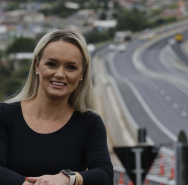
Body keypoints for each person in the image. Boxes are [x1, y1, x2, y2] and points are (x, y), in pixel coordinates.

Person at [0, 29, 113, 185]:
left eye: (71, 67)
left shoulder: (90, 123)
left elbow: (105, 175)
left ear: (82, 74)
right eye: (52, 64)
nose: (60, 74)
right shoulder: (4, 116)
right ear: (37, 65)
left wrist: (67, 178)